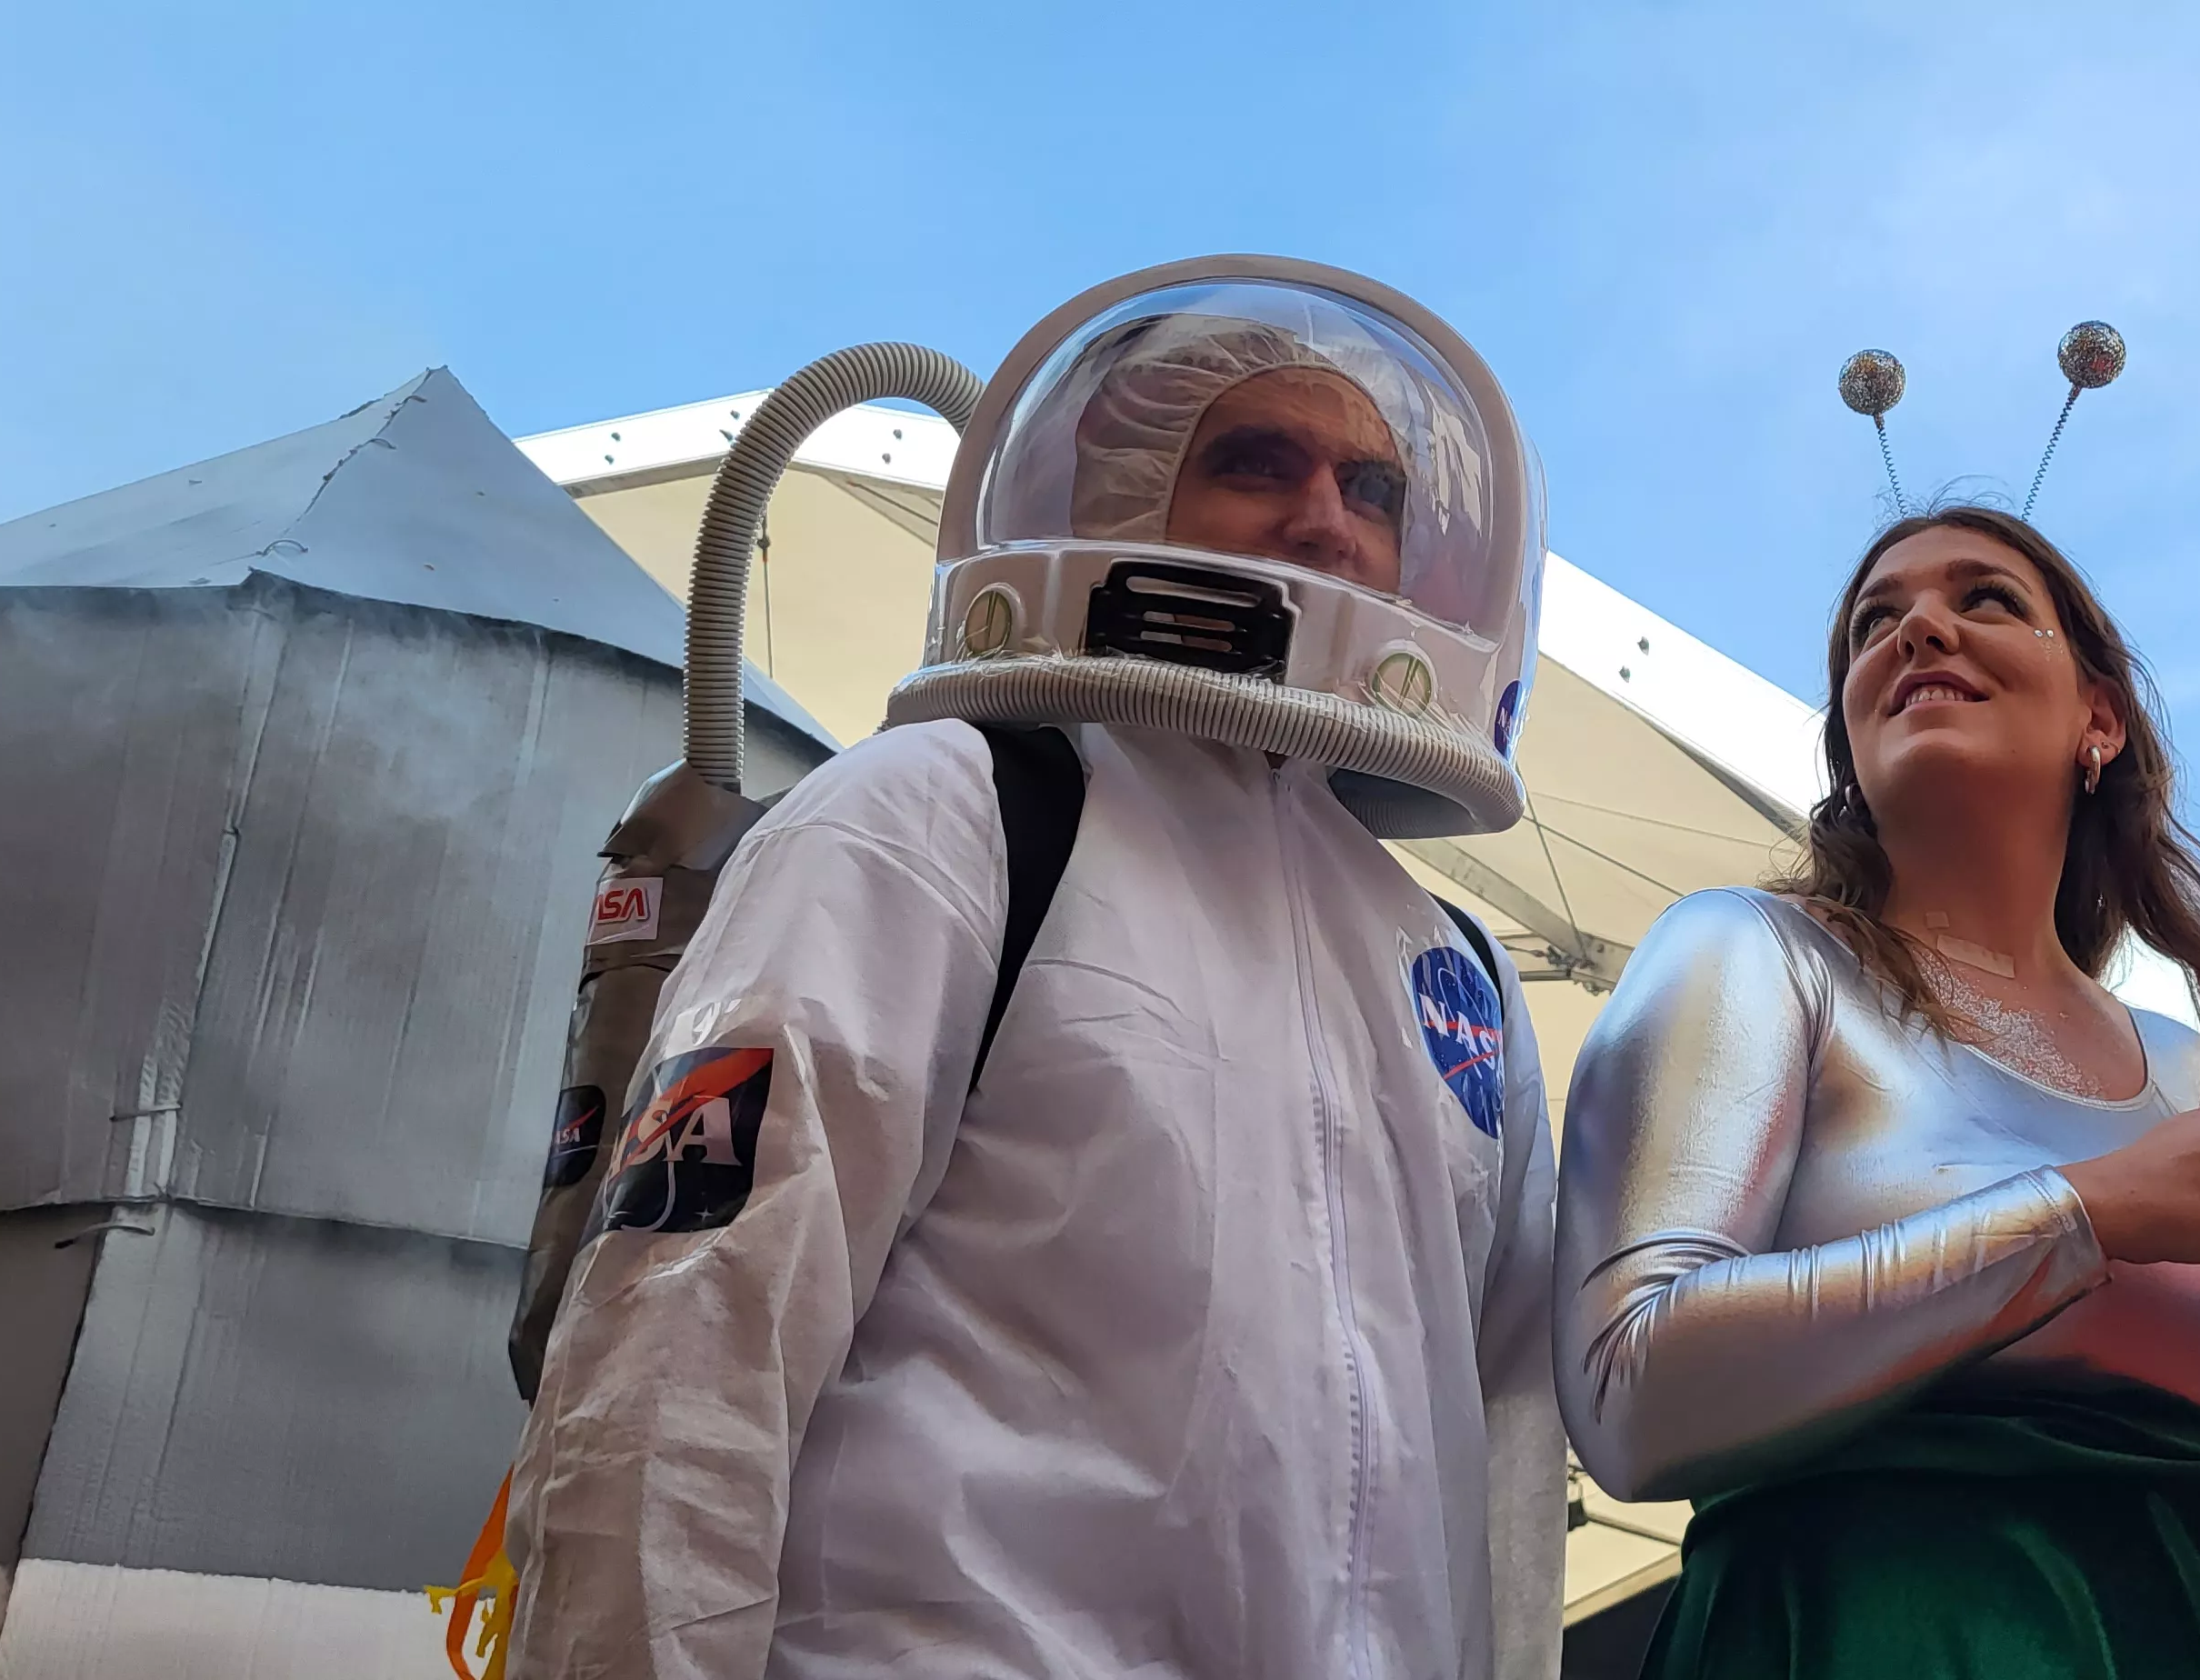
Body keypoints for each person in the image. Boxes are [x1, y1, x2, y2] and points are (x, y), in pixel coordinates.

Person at [502, 264, 1566, 1680]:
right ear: (1120, 497)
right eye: (1259, 463)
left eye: (1372, 490)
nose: (1328, 519)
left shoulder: (1456, 971)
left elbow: (1506, 1455)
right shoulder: (941, 812)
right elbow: (687, 1343)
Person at [1554, 504, 2200, 1679]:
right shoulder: (1751, 953)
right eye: (1875, 623)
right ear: (1849, 737)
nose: (1918, 629)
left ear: (2101, 720)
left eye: (1984, 598)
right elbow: (1626, 1391)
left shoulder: (2190, 1071)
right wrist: (2089, 1211)